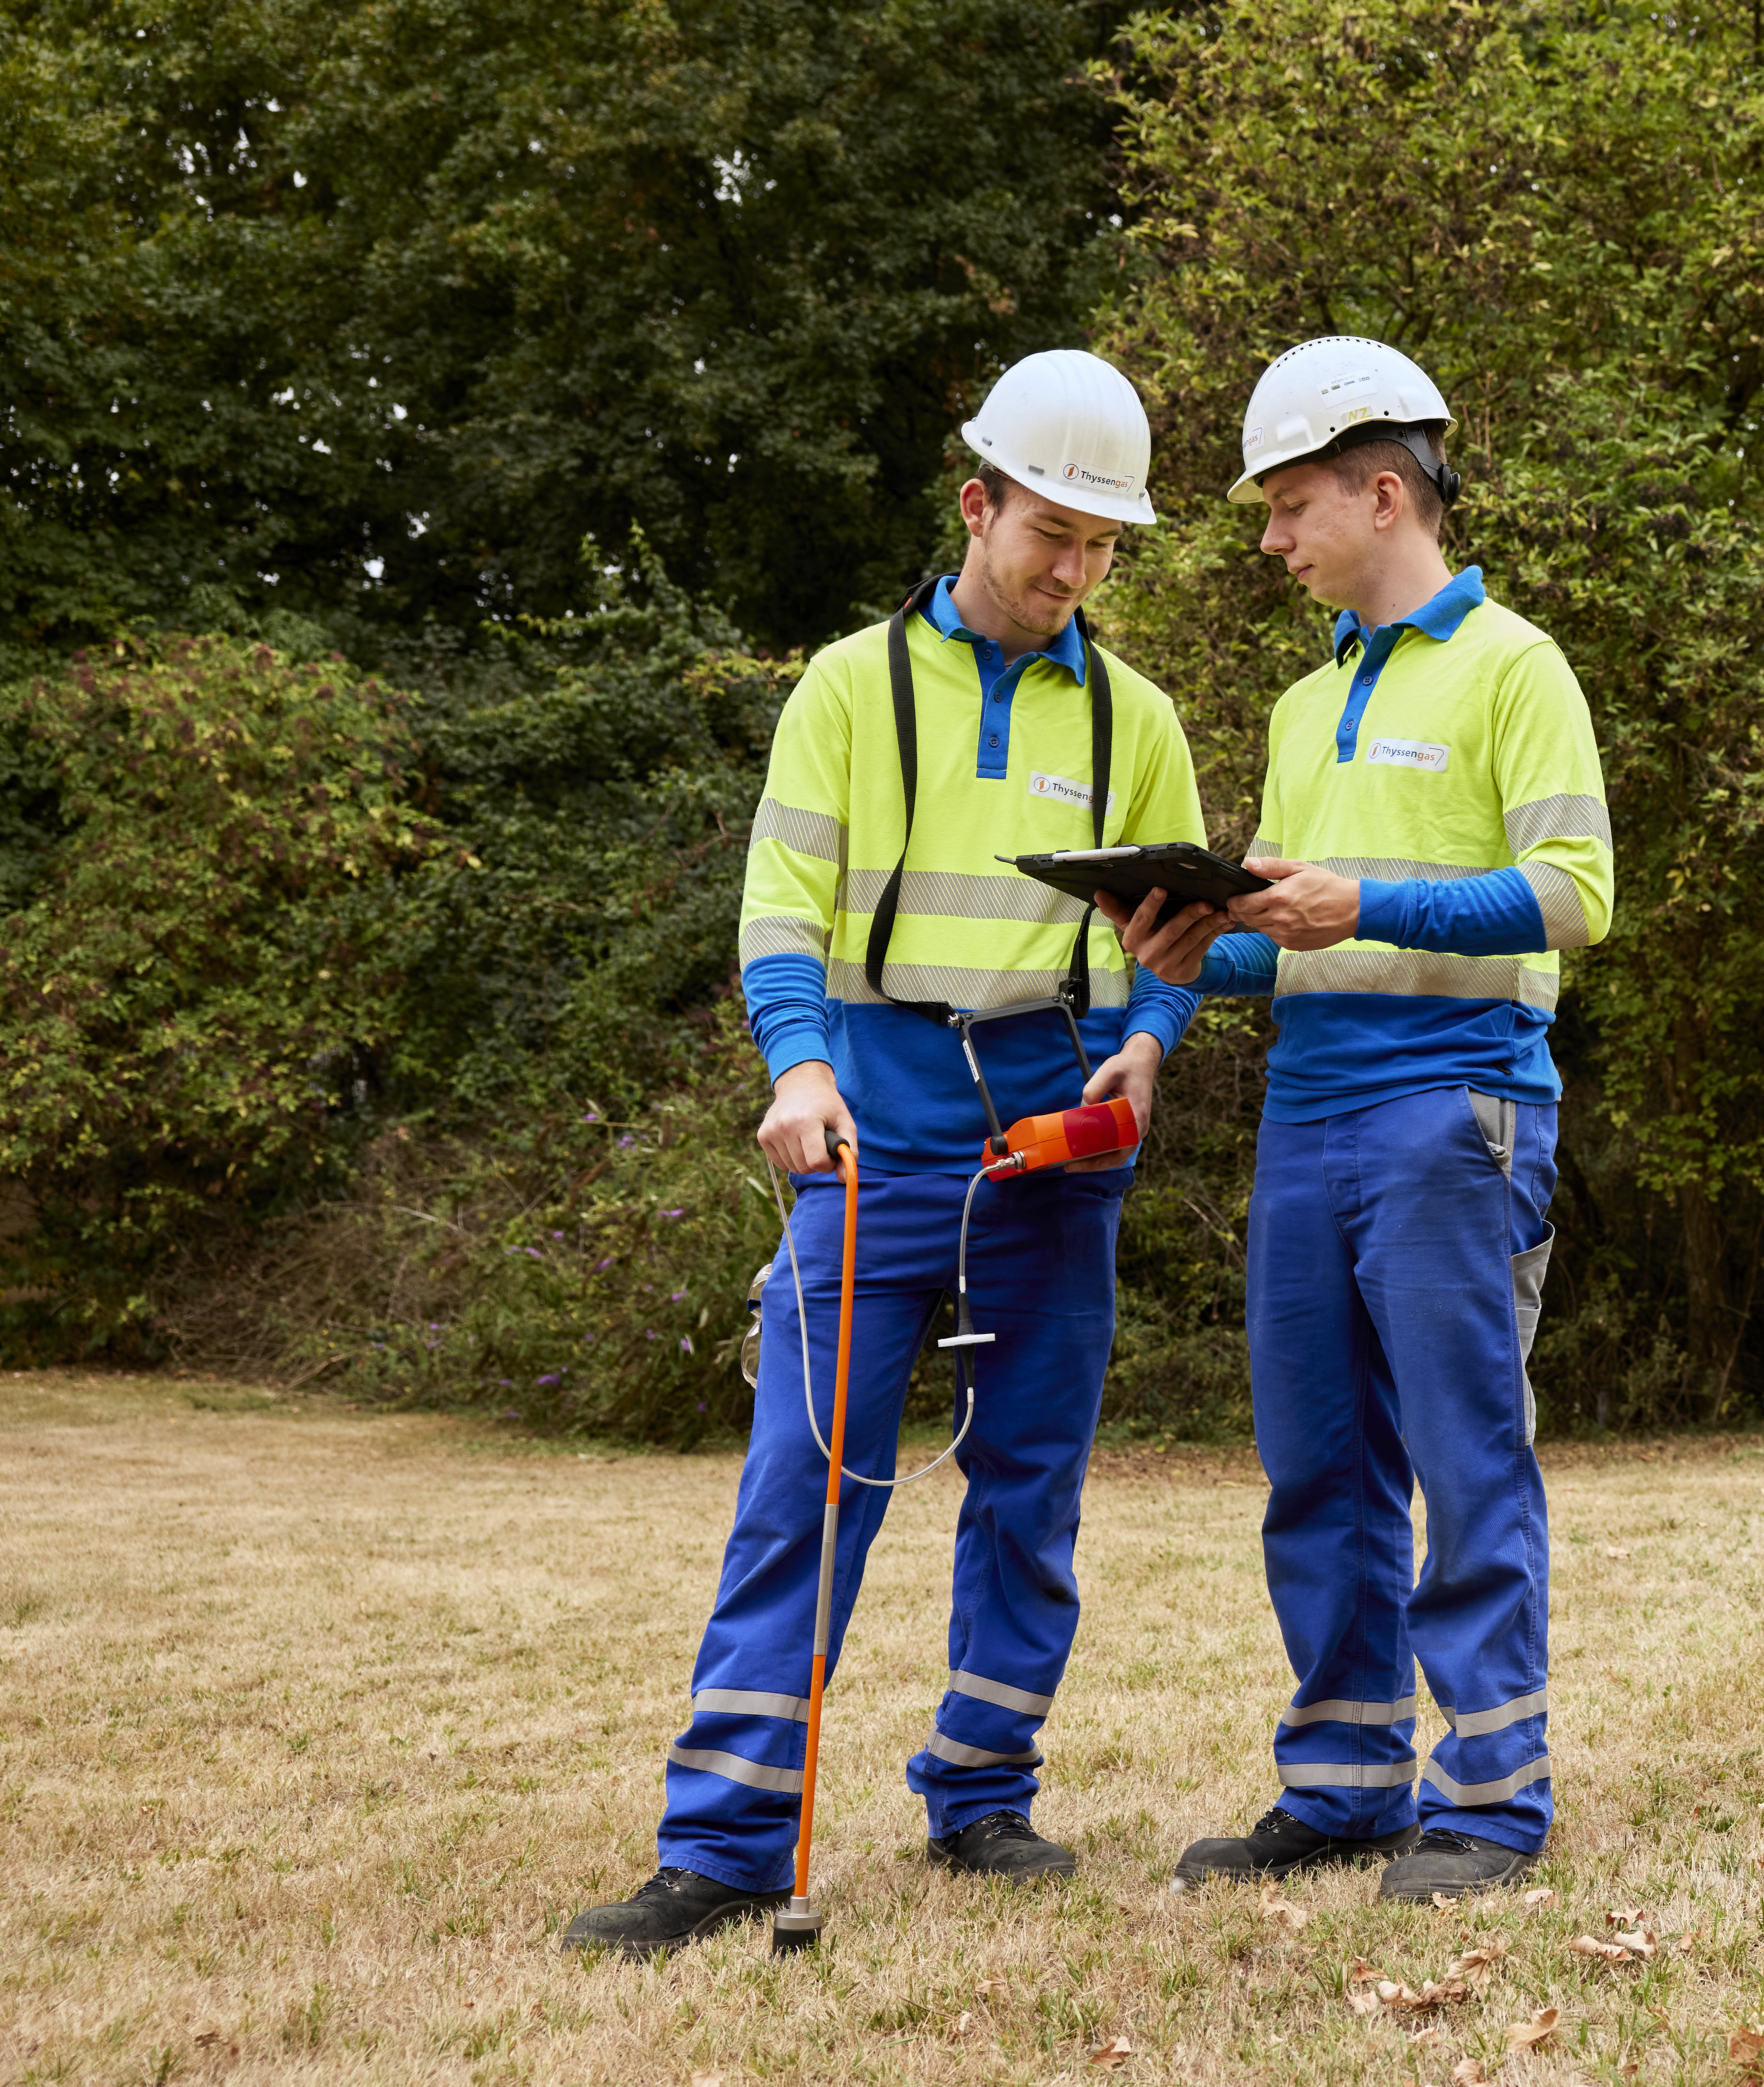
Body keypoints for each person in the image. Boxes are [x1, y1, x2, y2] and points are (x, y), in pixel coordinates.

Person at [562, 349, 1230, 1955]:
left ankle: (982, 1790)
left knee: (1029, 1486)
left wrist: (1149, 1042)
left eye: (1102, 544)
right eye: (1051, 531)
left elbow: (1176, 934)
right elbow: (780, 908)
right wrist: (796, 1067)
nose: (1073, 570)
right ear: (976, 505)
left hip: (1053, 1132)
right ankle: (726, 1840)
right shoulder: (847, 691)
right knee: (802, 1487)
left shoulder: (1137, 718)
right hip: (870, 1126)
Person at [1112, 336, 1611, 1903]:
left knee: (1465, 1454)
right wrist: (1189, 947)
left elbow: (1575, 895)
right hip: (1308, 1109)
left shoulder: (1516, 667)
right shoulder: (1300, 702)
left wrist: (1365, 900)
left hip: (1455, 1103)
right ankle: (1342, 1786)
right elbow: (1294, 933)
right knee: (1316, 1461)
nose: (1271, 539)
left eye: (1289, 506)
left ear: (1382, 492)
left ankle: (1493, 1799)